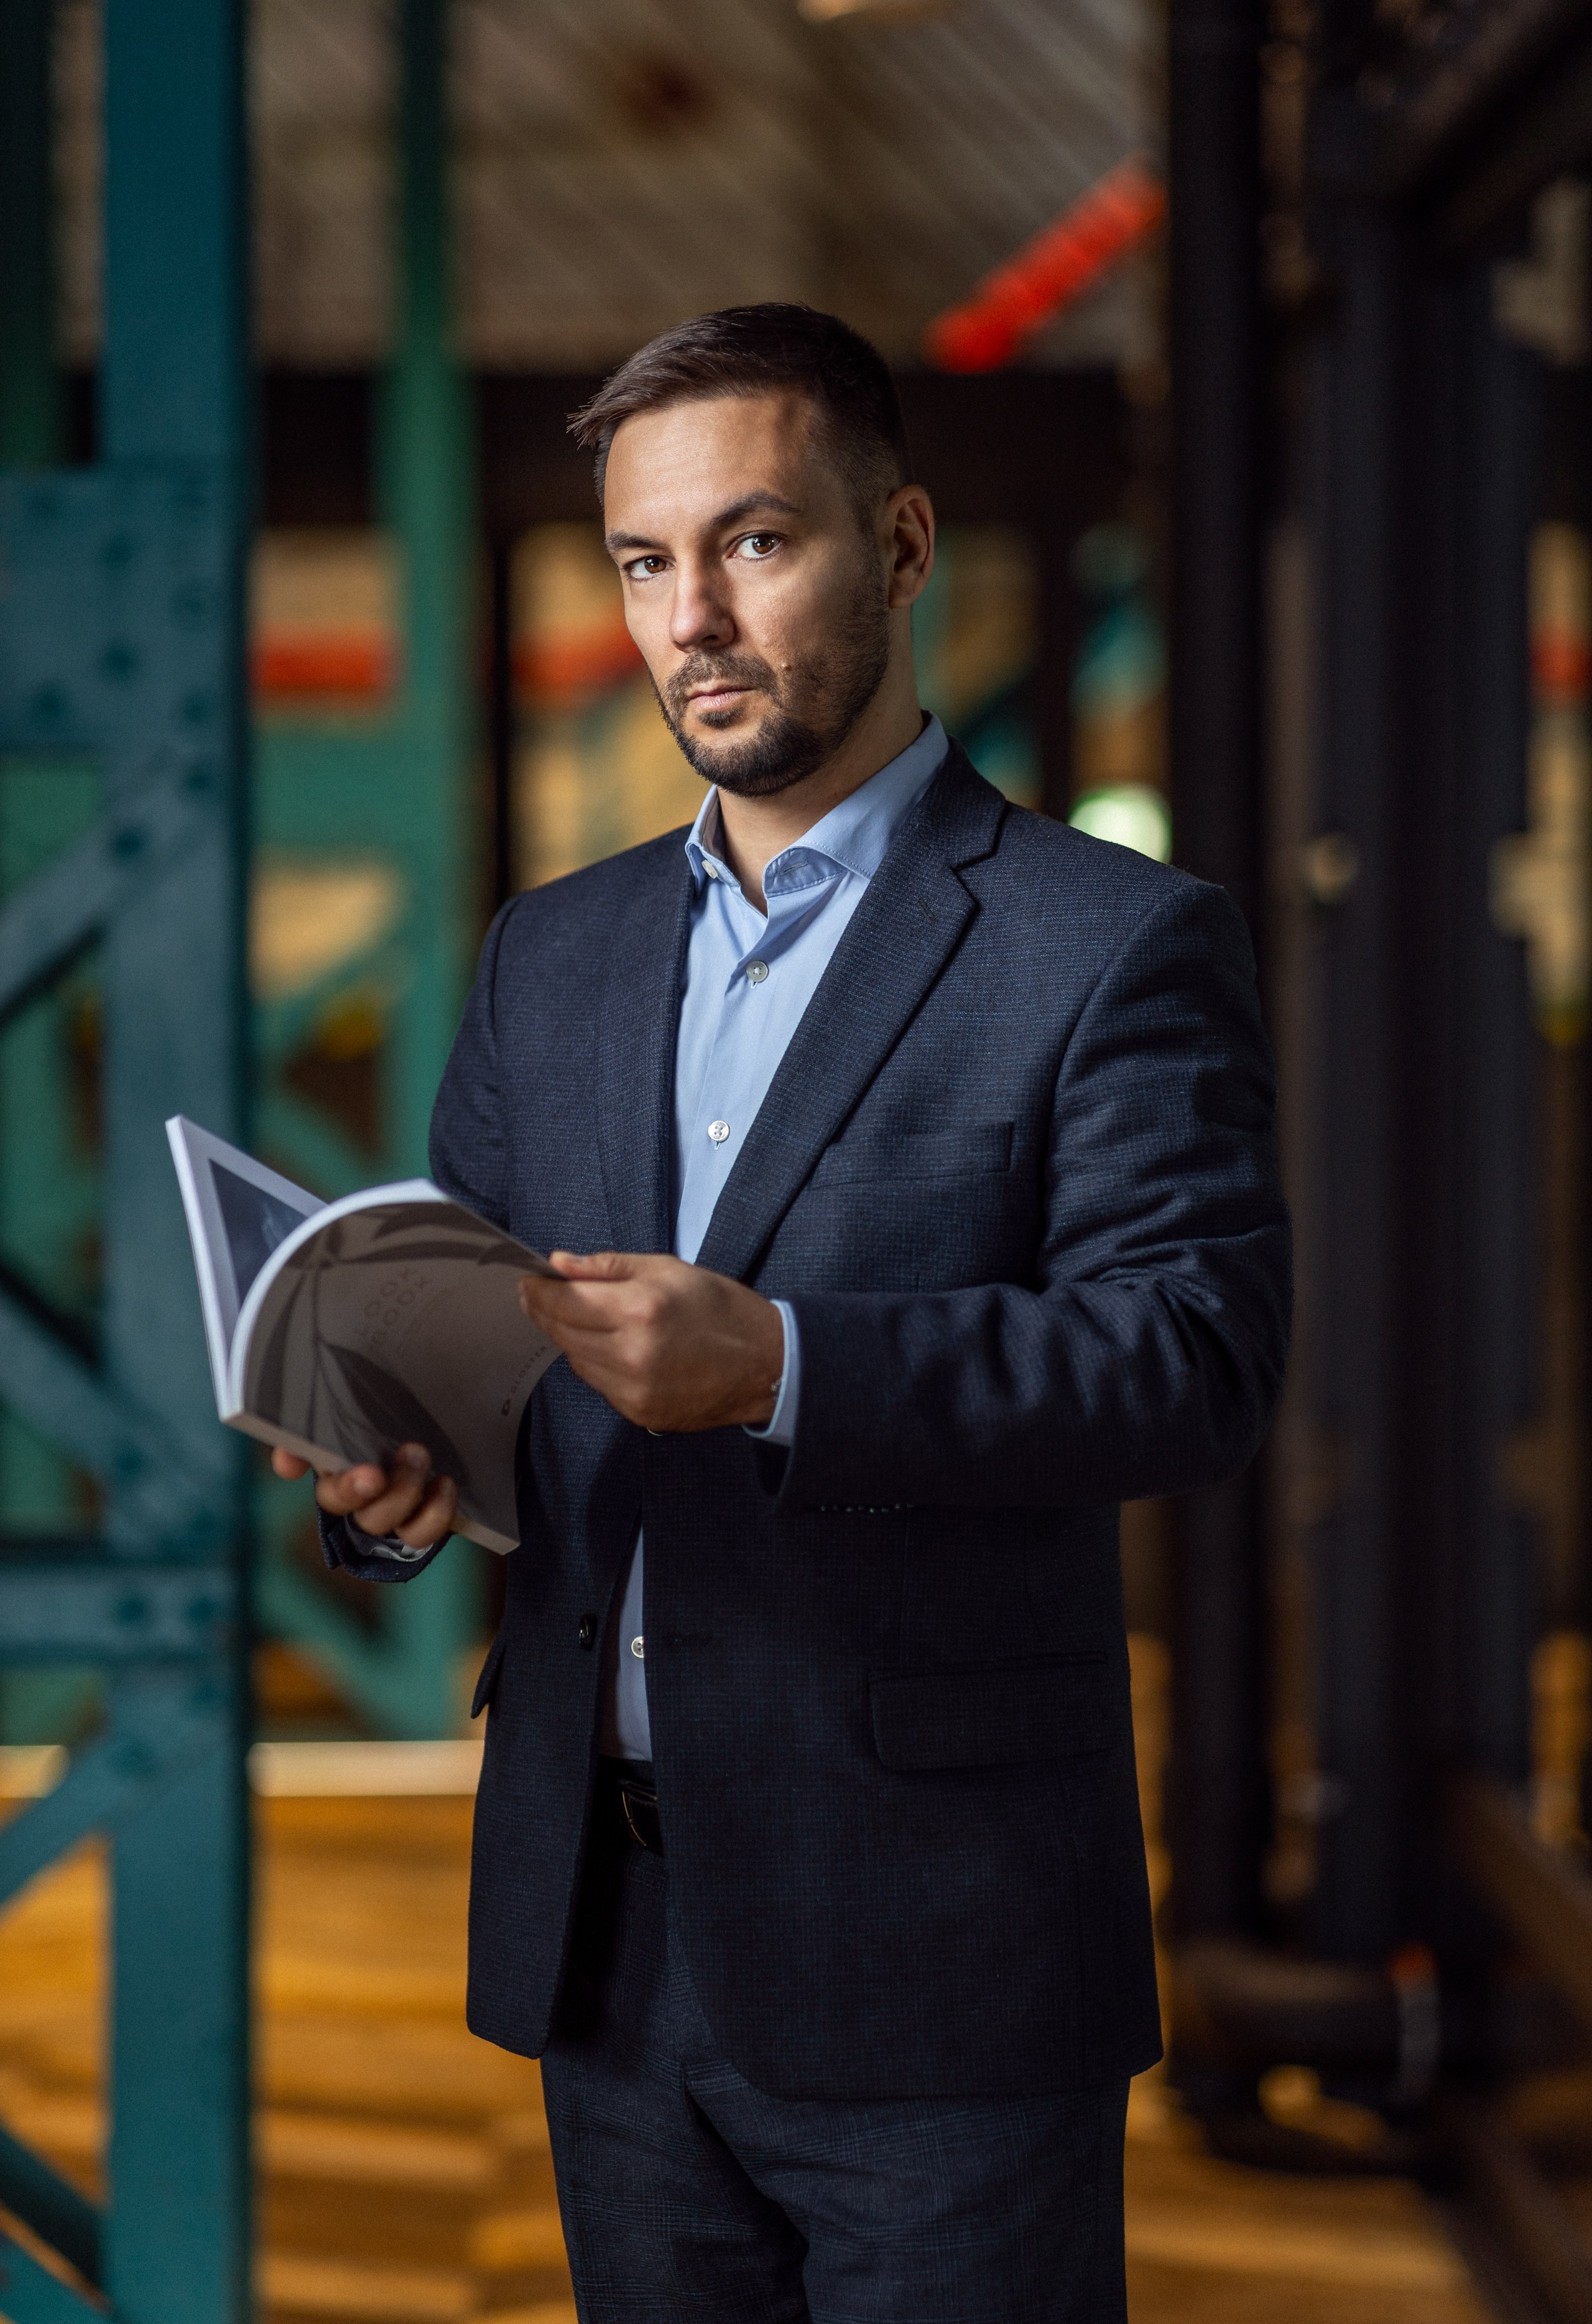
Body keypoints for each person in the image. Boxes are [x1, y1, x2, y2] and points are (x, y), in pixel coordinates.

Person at [274, 303, 1290, 2323]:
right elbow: (473, 1330)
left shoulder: (1108, 943)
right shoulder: (548, 959)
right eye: (645, 563)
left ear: (902, 549)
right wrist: (387, 1472)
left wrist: (788, 1370)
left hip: (940, 1944)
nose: (692, 621)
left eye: (755, 543)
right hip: (609, 1938)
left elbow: (1190, 1358)